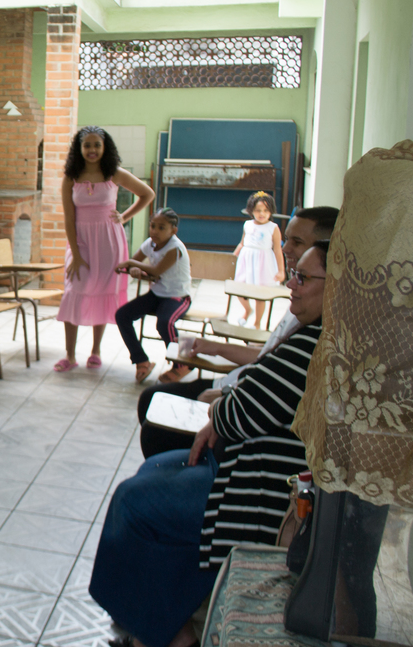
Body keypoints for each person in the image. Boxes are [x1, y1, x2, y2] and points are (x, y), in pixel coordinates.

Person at [90, 241, 329, 647]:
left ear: (338, 286)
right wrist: (225, 408)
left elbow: (242, 411)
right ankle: (167, 623)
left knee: (134, 501)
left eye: (303, 277)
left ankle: (159, 632)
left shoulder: (318, 343)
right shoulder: (310, 332)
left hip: (260, 487)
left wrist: (221, 413)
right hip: (245, 461)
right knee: (155, 468)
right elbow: (253, 394)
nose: (291, 283)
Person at [134, 206, 338, 457]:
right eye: (287, 240)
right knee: (151, 400)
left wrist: (226, 394)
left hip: (236, 396)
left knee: (156, 422)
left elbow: (268, 387)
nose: (285, 249)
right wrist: (214, 347)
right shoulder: (301, 299)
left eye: (296, 241)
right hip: (234, 387)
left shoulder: (318, 329)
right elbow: (267, 355)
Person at [55, 127, 155, 372]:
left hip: (110, 241)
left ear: (104, 147)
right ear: (79, 149)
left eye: (96, 145)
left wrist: (124, 216)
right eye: (87, 145)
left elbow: (147, 194)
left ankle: (95, 351)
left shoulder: (114, 173)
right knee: (75, 291)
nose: (92, 150)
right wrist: (76, 255)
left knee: (102, 289)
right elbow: (68, 219)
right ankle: (69, 355)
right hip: (81, 241)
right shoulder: (71, 177)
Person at [113, 208, 192, 383]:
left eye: (161, 228)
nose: (155, 231)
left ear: (173, 230)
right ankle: (141, 360)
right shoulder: (150, 243)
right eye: (153, 226)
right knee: (122, 315)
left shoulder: (175, 248)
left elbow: (156, 270)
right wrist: (134, 268)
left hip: (177, 296)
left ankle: (182, 364)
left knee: (165, 323)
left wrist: (132, 264)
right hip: (156, 294)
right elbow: (135, 263)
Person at [231, 191, 285, 328]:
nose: (262, 214)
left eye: (266, 210)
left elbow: (278, 250)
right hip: (246, 262)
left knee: (259, 295)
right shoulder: (247, 225)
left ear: (271, 211)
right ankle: (247, 310)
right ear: (251, 211)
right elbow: (242, 242)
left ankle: (257, 323)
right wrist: (234, 255)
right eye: (258, 210)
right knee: (238, 288)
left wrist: (281, 271)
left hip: (263, 264)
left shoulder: (273, 228)